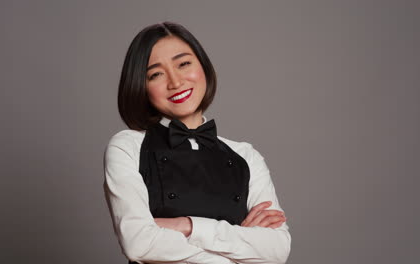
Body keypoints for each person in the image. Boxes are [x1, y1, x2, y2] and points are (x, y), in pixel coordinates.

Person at [103, 21, 291, 264]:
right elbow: (139, 243)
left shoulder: (246, 155)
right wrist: (241, 248)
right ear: (141, 86)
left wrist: (187, 226)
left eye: (183, 64)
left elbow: (276, 249)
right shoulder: (127, 146)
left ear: (203, 66)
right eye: (156, 74)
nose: (176, 82)